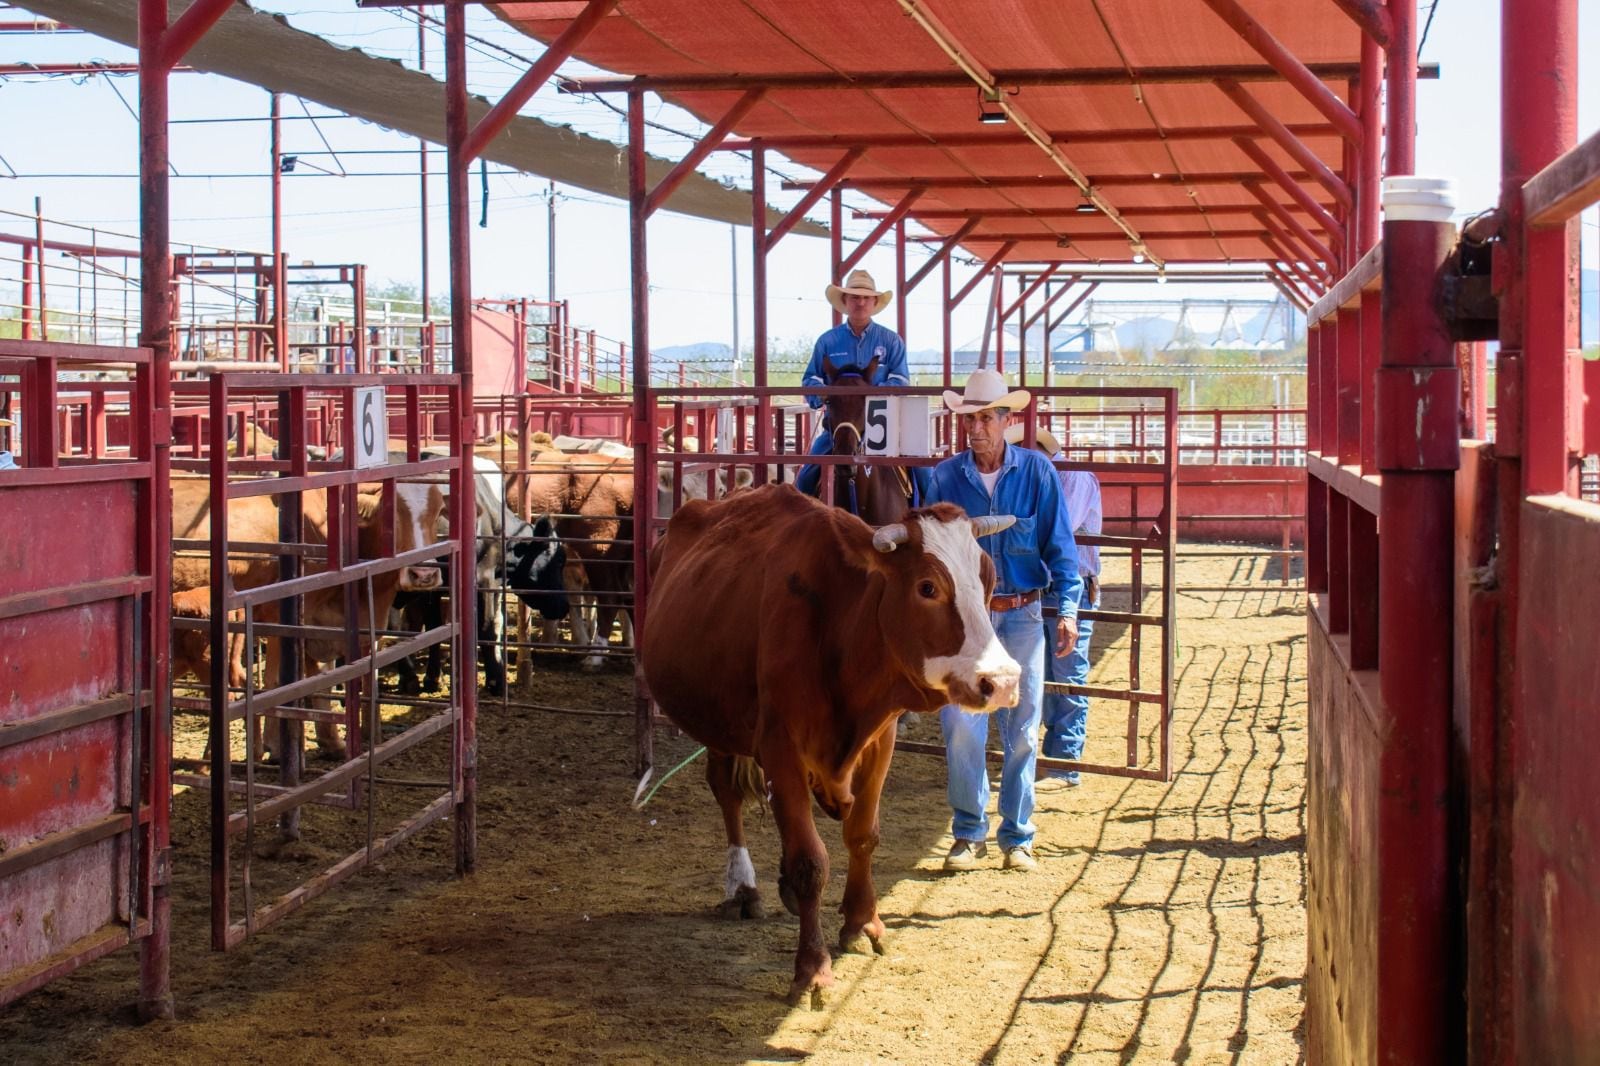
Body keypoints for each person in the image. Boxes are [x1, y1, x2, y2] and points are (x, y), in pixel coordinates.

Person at [927, 370, 1082, 873]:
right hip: (969, 623)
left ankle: (1017, 836)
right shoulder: (942, 478)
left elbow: (1060, 547)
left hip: (1022, 612)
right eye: (970, 418)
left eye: (987, 418)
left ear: (1007, 420)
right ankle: (969, 831)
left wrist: (1069, 608)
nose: (977, 428)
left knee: (1022, 725)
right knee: (961, 725)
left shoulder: (1037, 473)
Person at [1006, 423, 1102, 790]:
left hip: (1068, 584)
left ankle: (1064, 762)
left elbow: (1059, 530)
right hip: (1043, 585)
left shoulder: (1072, 477)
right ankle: (1053, 756)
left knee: (1066, 672)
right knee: (1043, 672)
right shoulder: (1042, 479)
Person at [794, 269, 929, 501]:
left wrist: (872, 394)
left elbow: (901, 379)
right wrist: (822, 396)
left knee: (926, 473)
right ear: (845, 301)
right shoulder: (827, 341)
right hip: (840, 427)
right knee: (804, 479)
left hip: (885, 426)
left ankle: (929, 523)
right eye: (855, 297)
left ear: (874, 302)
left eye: (866, 297)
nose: (861, 302)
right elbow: (811, 378)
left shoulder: (891, 340)